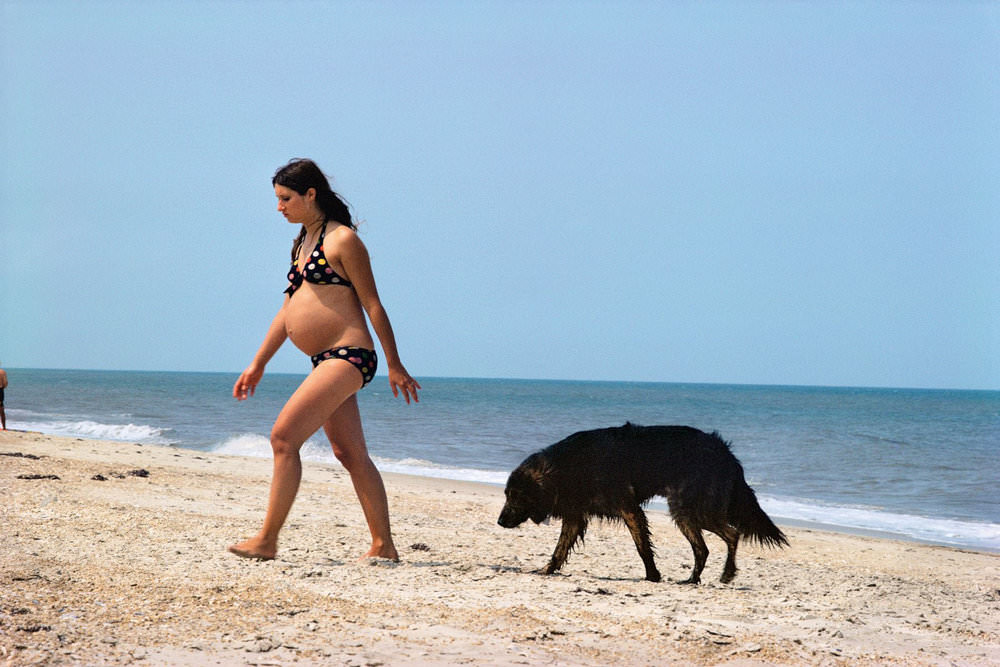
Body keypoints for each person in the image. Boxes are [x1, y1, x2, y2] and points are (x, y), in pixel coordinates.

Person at [229, 159, 420, 562]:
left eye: (285, 199)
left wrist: (395, 364)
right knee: (349, 454)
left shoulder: (342, 240)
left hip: (349, 356)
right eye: (277, 199)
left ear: (310, 194)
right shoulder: (301, 243)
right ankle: (384, 547)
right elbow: (287, 312)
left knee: (283, 438)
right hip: (325, 359)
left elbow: (373, 305)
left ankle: (266, 540)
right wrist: (258, 363)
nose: (279, 207)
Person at [0, 363, 7, 430]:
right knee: (1, 409)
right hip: (0, 390)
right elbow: (5, 383)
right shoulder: (3, 372)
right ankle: (4, 427)